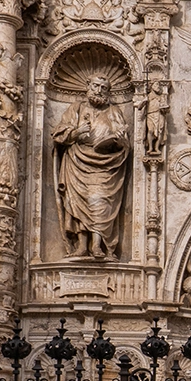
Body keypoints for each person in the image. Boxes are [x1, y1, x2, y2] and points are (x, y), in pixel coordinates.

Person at [52, 76, 130, 259]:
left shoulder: (113, 111)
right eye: (95, 85)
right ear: (88, 86)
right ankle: (81, 246)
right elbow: (59, 133)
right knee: (78, 202)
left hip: (105, 165)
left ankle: (97, 245)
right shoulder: (76, 108)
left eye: (104, 87)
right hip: (77, 162)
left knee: (100, 201)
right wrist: (76, 133)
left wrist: (119, 139)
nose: (99, 90)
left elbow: (124, 140)